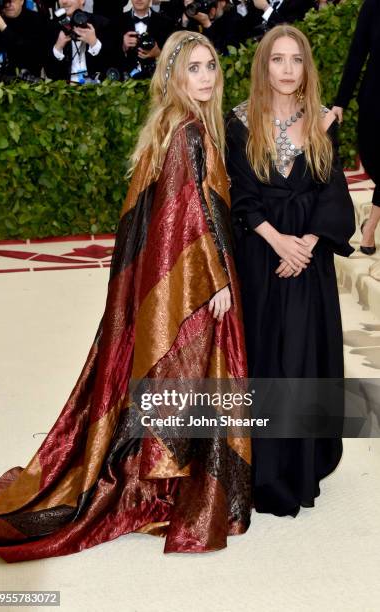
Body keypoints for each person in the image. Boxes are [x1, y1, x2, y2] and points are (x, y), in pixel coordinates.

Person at [0, 30, 251, 562]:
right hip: (198, 280)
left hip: (190, 278)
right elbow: (190, 220)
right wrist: (217, 279)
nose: (205, 78)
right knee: (186, 370)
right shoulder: (189, 134)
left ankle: (160, 476)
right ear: (174, 76)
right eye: (194, 68)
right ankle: (160, 485)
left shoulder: (175, 126)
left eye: (210, 67)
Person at [226, 25, 355, 517]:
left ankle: (302, 464)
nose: (285, 69)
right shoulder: (239, 122)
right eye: (277, 59)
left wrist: (310, 242)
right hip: (262, 258)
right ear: (264, 66)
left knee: (304, 357)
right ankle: (266, 468)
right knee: (265, 357)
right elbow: (240, 194)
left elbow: (333, 190)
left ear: (306, 68)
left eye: (295, 59)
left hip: (310, 260)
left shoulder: (324, 122)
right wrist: (279, 241)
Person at [332, 0, 380, 255]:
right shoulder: (373, 5)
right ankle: (370, 225)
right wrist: (341, 101)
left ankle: (370, 228)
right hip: (374, 100)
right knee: (373, 160)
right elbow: (357, 52)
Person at [45, 0, 115, 82]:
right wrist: (58, 47)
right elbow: (50, 73)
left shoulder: (102, 23)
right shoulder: (52, 27)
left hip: (97, 89)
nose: (64, 2)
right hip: (65, 90)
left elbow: (112, 68)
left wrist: (94, 43)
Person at [0, 0, 46, 83]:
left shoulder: (35, 20)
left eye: (12, 1)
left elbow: (32, 55)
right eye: (5, 1)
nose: (8, 5)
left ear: (22, 1)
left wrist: (4, 28)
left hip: (23, 84)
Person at [120, 0, 172, 79]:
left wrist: (159, 54)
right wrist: (123, 47)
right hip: (124, 81)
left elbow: (175, 57)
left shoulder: (167, 22)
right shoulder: (117, 22)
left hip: (156, 80)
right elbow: (108, 57)